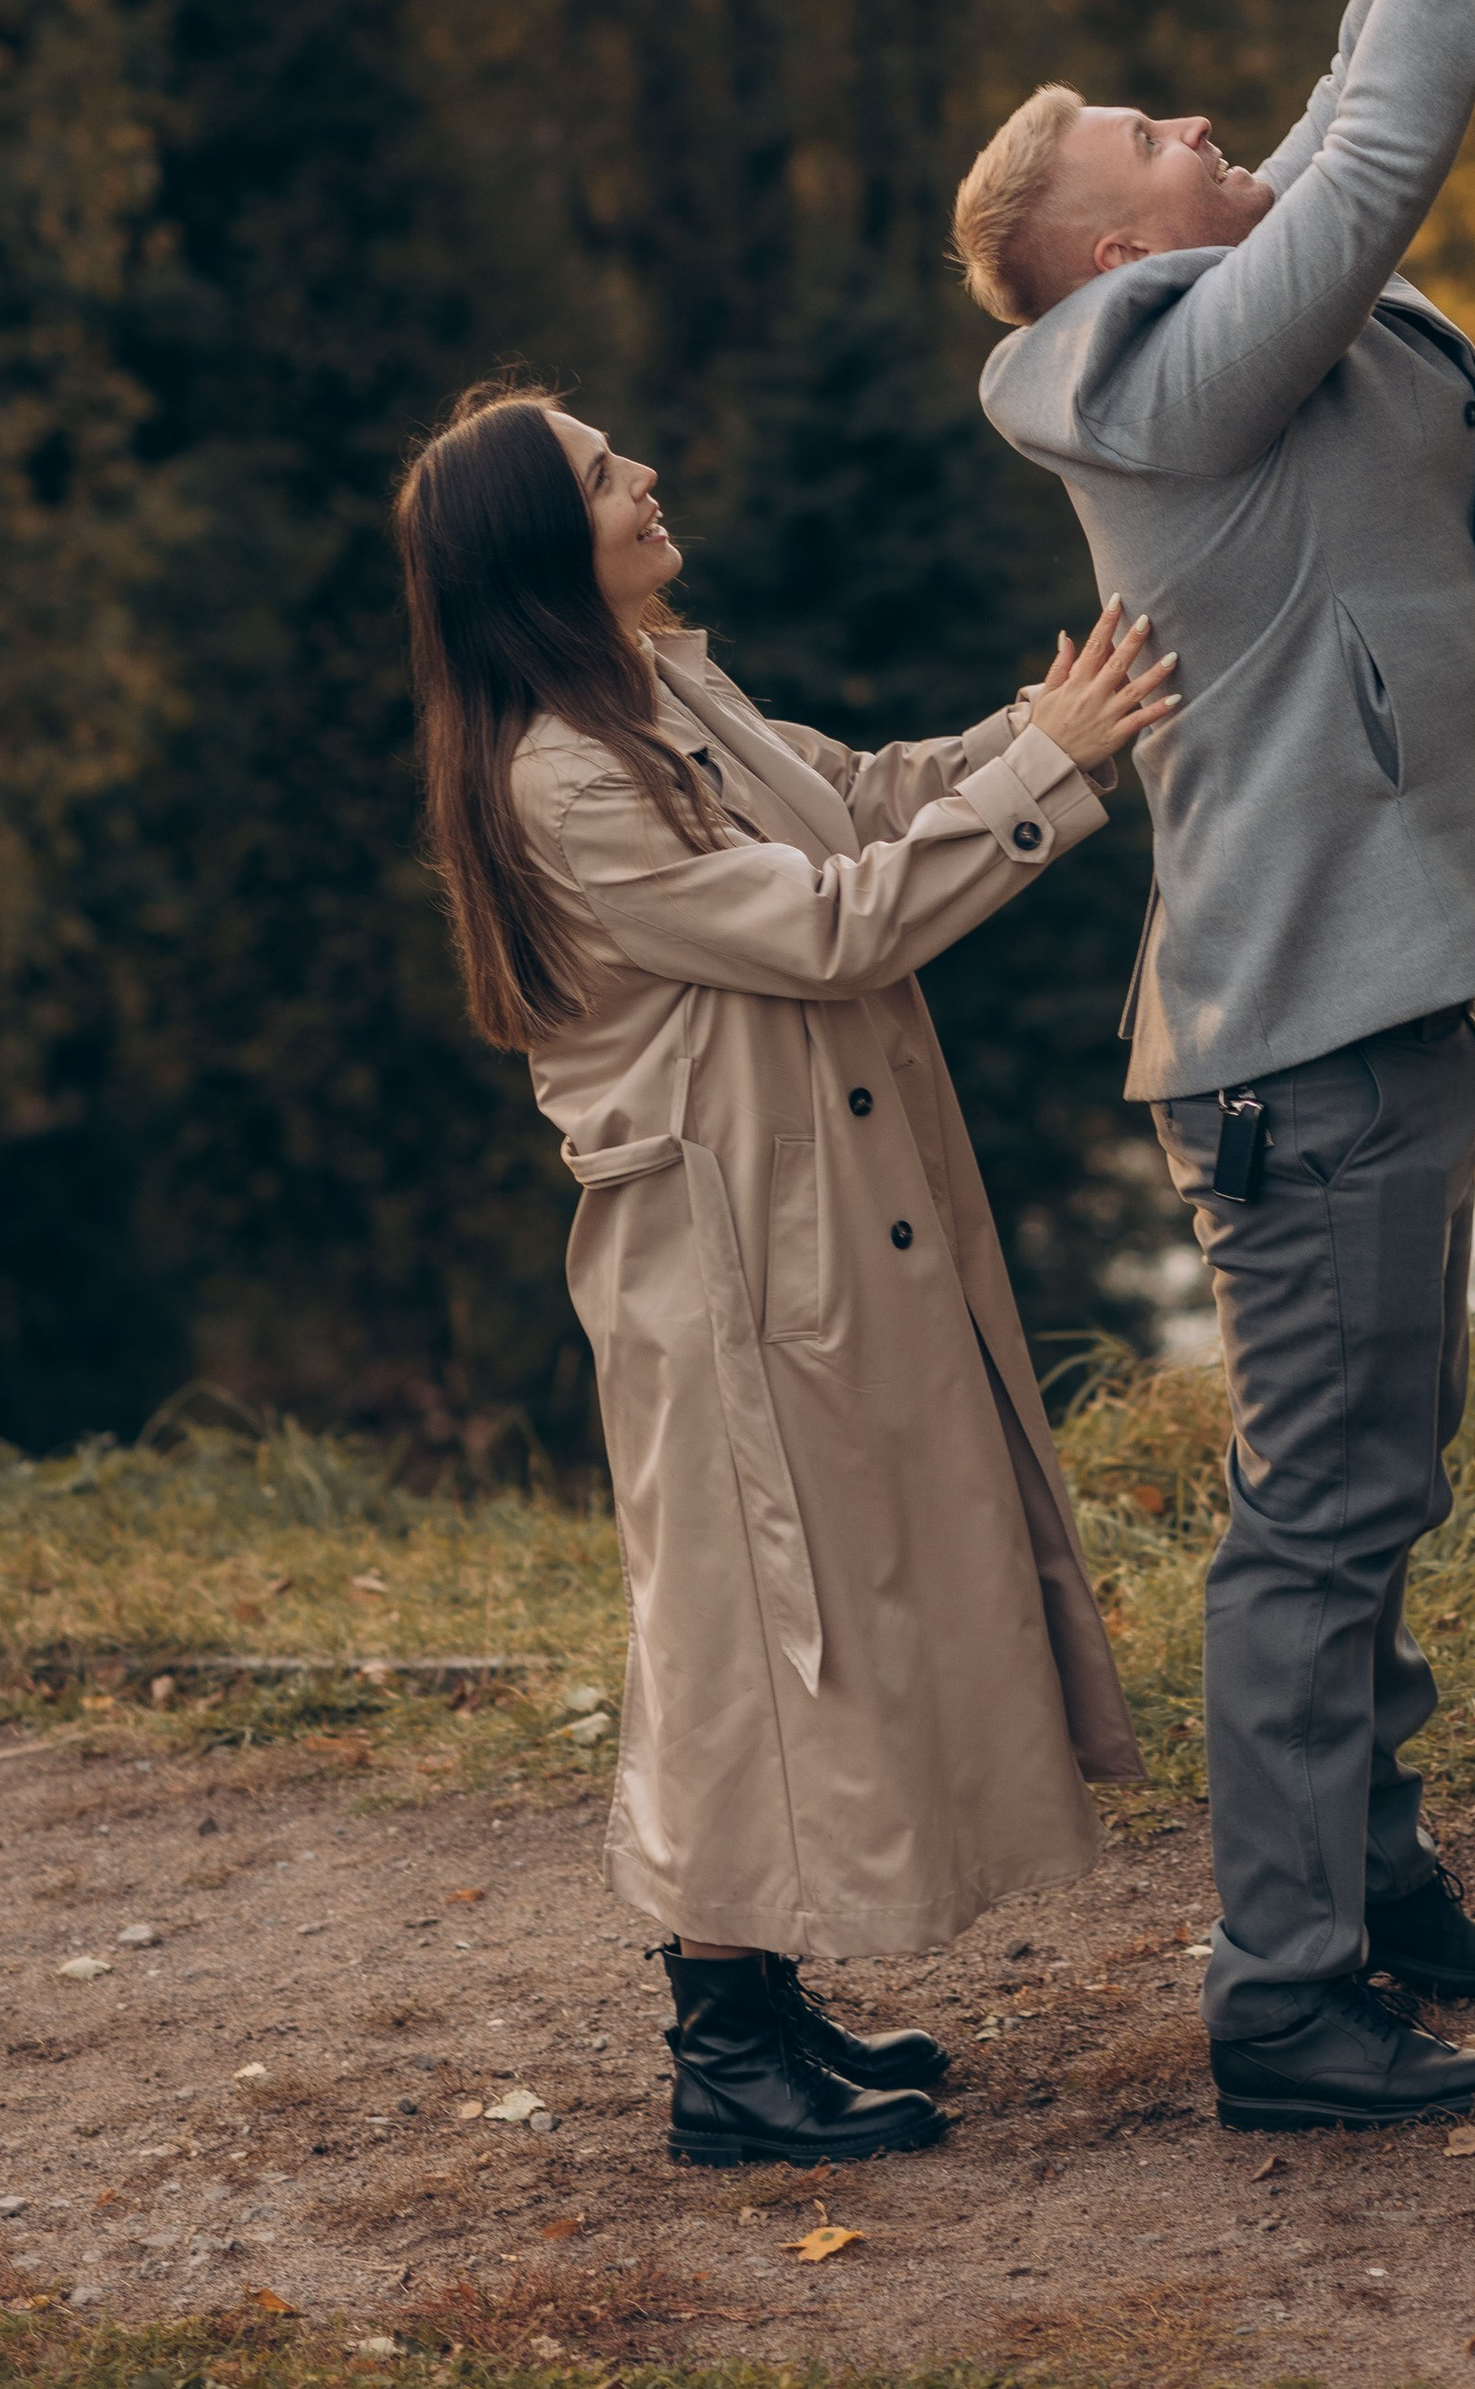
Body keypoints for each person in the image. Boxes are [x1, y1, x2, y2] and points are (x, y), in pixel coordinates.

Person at [951, 0, 1475, 2136]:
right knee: (1313, 1513)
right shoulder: (1142, 380)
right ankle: (1287, 1995)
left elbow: (1350, 115)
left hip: (1357, 1001)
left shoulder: (1211, 337)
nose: (1204, 118)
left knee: (1370, 1476)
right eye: (1160, 130)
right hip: (1297, 1038)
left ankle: (1372, 1881)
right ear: (1104, 245)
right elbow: (1363, 166)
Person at [394, 382, 1175, 2168]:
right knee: (743, 1637)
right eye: (604, 473)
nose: (647, 472)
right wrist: (1050, 770)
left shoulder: (661, 688)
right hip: (721, 1262)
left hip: (801, 1225)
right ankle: (723, 2054)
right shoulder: (560, 774)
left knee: (799, 1619)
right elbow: (831, 925)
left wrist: (1054, 723)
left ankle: (767, 2009)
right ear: (538, 541)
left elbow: (857, 803)